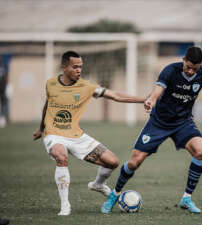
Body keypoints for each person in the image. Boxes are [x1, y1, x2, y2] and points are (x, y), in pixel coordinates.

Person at [101, 46, 202, 214]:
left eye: (195, 69)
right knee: (134, 162)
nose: (190, 71)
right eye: (188, 67)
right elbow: (157, 91)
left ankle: (187, 198)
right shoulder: (170, 71)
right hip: (159, 122)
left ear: (200, 66)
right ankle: (115, 194)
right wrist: (150, 101)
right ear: (183, 59)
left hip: (183, 122)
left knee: (201, 151)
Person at [33, 50, 145, 216]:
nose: (79, 70)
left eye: (81, 67)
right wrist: (41, 129)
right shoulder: (51, 84)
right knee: (61, 157)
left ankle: (98, 184)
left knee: (112, 162)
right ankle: (65, 205)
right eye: (75, 67)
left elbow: (115, 95)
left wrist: (144, 99)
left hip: (76, 135)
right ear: (64, 67)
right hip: (54, 134)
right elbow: (47, 105)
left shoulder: (87, 87)